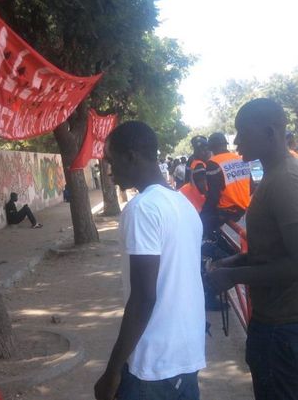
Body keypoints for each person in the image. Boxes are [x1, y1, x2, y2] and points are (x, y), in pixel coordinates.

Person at [207, 99, 298, 400]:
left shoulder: (286, 181)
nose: (236, 142)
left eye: (242, 133)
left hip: (287, 327)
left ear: (270, 133)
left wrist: (236, 276)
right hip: (276, 324)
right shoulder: (273, 178)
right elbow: (276, 252)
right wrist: (237, 262)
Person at [94, 121, 206, 400]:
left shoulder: (142, 208)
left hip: (152, 367)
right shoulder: (183, 204)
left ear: (131, 156)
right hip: (186, 355)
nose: (108, 171)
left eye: (111, 160)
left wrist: (112, 371)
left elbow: (143, 297)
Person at [200, 132, 251, 238]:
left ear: (212, 147)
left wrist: (203, 214)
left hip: (227, 210)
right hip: (244, 207)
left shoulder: (213, 163)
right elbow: (252, 186)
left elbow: (214, 196)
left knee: (200, 225)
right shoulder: (241, 159)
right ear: (225, 144)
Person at [179, 136, 209, 211]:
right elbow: (202, 187)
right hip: (196, 198)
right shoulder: (199, 164)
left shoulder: (193, 160)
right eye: (205, 150)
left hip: (191, 196)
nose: (207, 152)